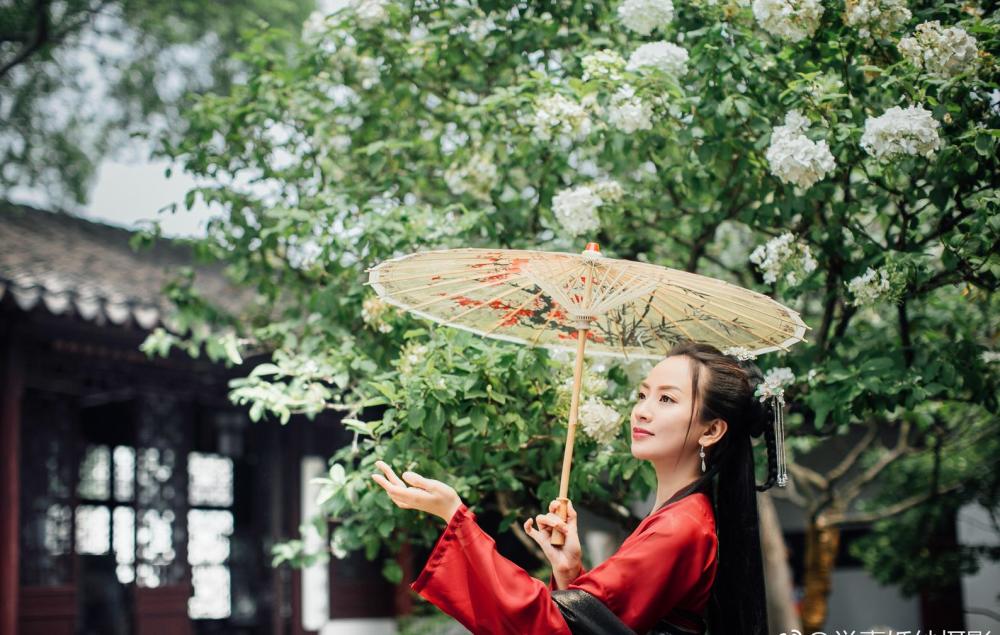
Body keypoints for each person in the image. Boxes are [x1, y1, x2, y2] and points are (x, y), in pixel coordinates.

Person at [371, 341, 781, 635]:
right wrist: (569, 573)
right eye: (643, 394)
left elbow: (550, 627)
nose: (642, 410)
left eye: (667, 400)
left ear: (711, 430)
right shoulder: (679, 517)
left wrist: (455, 517)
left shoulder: (682, 527)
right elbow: (601, 625)